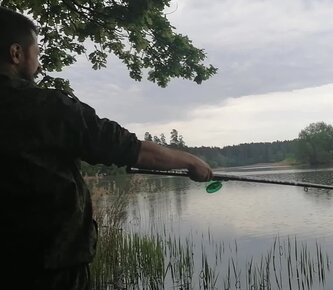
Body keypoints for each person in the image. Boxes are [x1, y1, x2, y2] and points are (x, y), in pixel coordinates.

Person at [0, 7, 213, 289]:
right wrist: (190, 161)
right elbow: (128, 149)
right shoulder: (48, 108)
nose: (39, 65)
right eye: (36, 53)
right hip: (50, 269)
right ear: (16, 53)